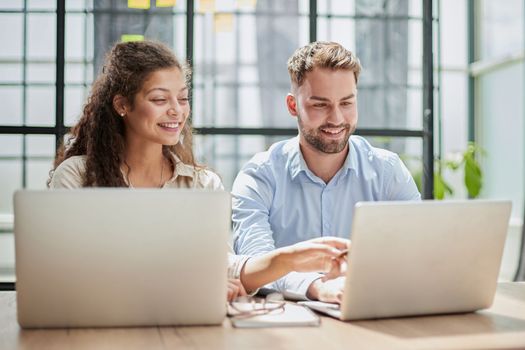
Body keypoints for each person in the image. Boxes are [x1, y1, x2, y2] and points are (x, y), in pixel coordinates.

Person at [48, 40, 348, 301]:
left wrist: (289, 258)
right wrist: (188, 286)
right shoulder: (77, 177)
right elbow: (68, 274)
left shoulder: (202, 184)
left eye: (182, 98)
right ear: (122, 105)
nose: (177, 111)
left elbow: (222, 267)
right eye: (159, 99)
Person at [232, 41, 421, 303]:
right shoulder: (259, 176)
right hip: (283, 328)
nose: (336, 119)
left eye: (346, 103)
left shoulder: (387, 171)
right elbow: (255, 266)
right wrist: (317, 287)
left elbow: (418, 251)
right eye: (320, 105)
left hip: (369, 314)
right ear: (292, 105)